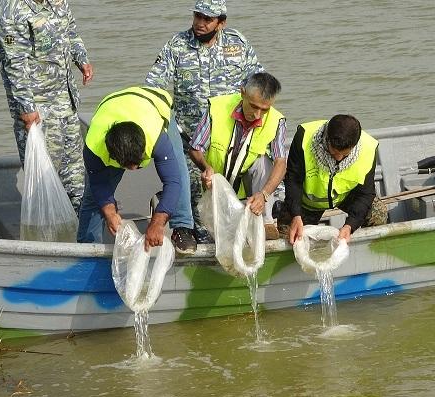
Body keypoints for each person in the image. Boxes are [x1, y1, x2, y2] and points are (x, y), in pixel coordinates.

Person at [145, 0, 264, 242]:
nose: (200, 23)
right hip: (189, 139)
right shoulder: (177, 46)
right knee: (195, 197)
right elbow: (153, 85)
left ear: (221, 22)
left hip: (229, 137)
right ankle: (195, 241)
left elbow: (258, 83)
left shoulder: (237, 44)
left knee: (230, 195)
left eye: (207, 19)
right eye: (197, 16)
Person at [0, 0, 94, 213]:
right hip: (39, 112)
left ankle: (79, 237)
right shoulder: (11, 10)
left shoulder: (58, 2)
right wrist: (27, 109)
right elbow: (15, 64)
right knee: (44, 183)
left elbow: (71, 32)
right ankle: (47, 241)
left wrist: (81, 59)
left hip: (66, 105)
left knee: (76, 180)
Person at [77, 86, 197, 254]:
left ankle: (182, 227)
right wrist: (110, 212)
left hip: (154, 103)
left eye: (138, 163)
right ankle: (87, 247)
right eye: (128, 166)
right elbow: (99, 183)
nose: (135, 170)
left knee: (179, 173)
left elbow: (173, 181)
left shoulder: (155, 136)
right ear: (113, 156)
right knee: (92, 197)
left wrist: (157, 222)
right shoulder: (94, 148)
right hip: (111, 105)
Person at [189, 72, 286, 240]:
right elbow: (195, 148)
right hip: (216, 185)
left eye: (264, 110)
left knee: (263, 162)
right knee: (221, 235)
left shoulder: (277, 120)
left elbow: (281, 162)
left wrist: (264, 195)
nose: (257, 115)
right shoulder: (217, 108)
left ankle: (264, 222)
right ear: (242, 93)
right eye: (254, 106)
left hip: (250, 191)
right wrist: (206, 168)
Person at [280, 114, 388, 244]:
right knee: (288, 237)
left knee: (378, 212)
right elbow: (293, 179)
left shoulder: (368, 148)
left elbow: (366, 193)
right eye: (334, 152)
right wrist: (296, 215)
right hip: (307, 201)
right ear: (327, 139)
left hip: (344, 196)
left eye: (345, 155)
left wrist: (350, 225)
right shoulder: (304, 138)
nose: (338, 158)